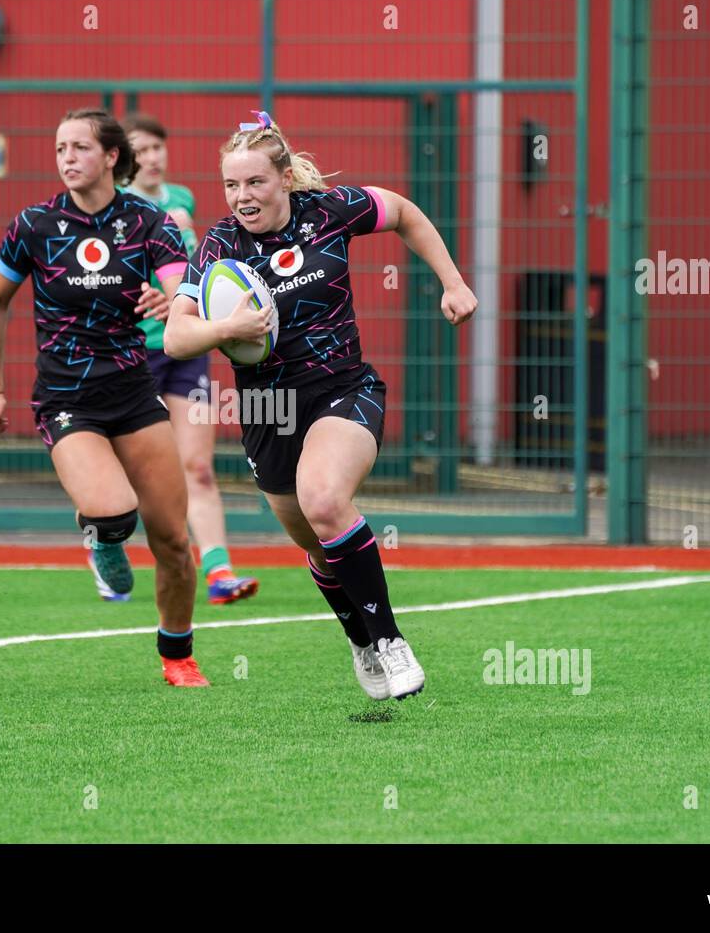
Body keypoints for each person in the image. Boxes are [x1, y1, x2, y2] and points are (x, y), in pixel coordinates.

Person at [163, 111, 478, 700]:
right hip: (267, 411)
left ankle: (390, 641)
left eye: (255, 182)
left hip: (342, 388)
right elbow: (177, 337)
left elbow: (405, 212)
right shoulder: (218, 245)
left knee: (326, 498)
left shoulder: (330, 211)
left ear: (284, 178)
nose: (242, 196)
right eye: (231, 185)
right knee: (315, 542)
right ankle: (360, 639)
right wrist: (226, 326)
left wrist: (452, 282)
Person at [0, 108, 209, 686]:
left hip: (133, 392)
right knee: (113, 513)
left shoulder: (149, 220)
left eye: (79, 147)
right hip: (65, 396)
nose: (67, 159)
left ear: (110, 157)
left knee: (175, 542)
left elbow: (185, 285)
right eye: (60, 149)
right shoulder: (33, 224)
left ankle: (177, 655)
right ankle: (103, 540)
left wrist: (171, 300)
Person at [122, 112, 258, 606]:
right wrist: (149, 291)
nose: (153, 158)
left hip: (187, 351)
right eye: (142, 149)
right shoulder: (117, 212)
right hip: (134, 353)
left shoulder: (182, 200)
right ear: (121, 159)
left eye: (158, 147)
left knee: (197, 465)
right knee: (128, 471)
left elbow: (192, 273)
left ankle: (219, 569)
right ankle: (104, 542)